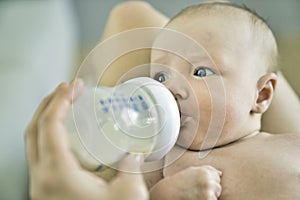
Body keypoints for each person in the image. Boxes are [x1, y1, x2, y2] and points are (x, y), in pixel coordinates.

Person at [25, 1, 300, 200]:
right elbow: (132, 192)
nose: (171, 90)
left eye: (200, 72)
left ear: (262, 95)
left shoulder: (287, 143)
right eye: (159, 76)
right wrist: (168, 193)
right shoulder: (165, 159)